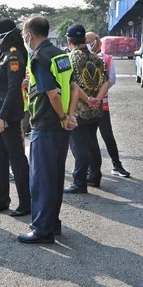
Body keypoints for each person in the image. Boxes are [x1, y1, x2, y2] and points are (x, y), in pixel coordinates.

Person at [18, 16, 78, 244]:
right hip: (61, 127)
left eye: (25, 34)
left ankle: (42, 230)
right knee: (54, 178)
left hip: (46, 124)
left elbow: (52, 93)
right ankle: (53, 224)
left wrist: (63, 116)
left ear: (29, 35)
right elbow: (72, 87)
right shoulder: (61, 54)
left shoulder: (39, 57)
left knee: (41, 180)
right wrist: (69, 116)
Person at [0, 18, 30, 216]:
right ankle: (1, 200)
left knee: (17, 160)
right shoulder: (1, 55)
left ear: (6, 34)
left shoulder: (14, 56)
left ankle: (26, 203)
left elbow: (13, 89)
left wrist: (2, 117)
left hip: (8, 117)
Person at [85, 31, 131, 183]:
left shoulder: (105, 58)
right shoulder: (100, 58)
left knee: (99, 137)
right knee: (97, 137)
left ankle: (112, 166)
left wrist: (94, 96)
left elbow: (111, 80)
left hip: (92, 105)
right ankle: (107, 166)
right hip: (99, 103)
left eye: (87, 41)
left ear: (94, 42)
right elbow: (111, 81)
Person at [64, 24, 104, 194]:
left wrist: (87, 99)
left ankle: (79, 182)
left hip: (79, 109)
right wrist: (96, 100)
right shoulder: (97, 57)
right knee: (92, 142)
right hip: (96, 108)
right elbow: (106, 81)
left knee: (79, 146)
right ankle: (94, 176)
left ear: (69, 40)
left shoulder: (69, 58)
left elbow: (72, 86)